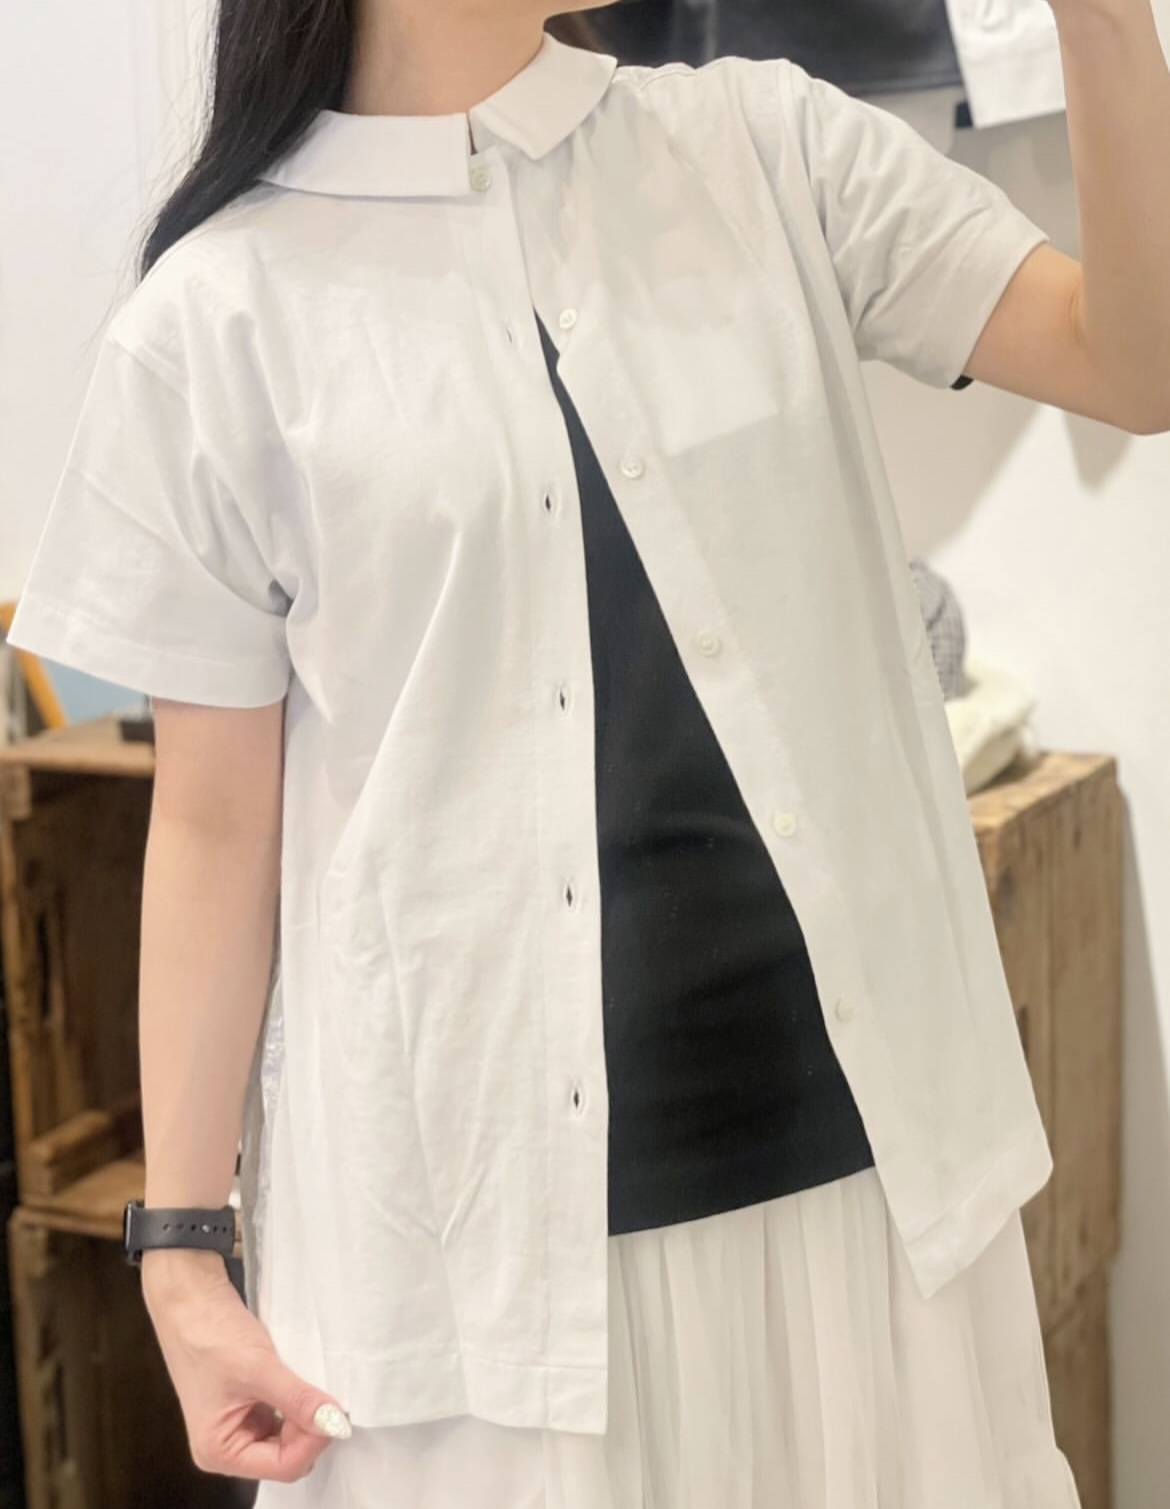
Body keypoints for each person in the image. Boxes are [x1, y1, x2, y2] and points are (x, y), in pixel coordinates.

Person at [8, 0, 1169, 1504]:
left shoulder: (767, 148)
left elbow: (1134, 362)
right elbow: (215, 830)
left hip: (869, 1198)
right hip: (473, 1268)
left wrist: (1101, 19)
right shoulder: (217, 319)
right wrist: (181, 1253)